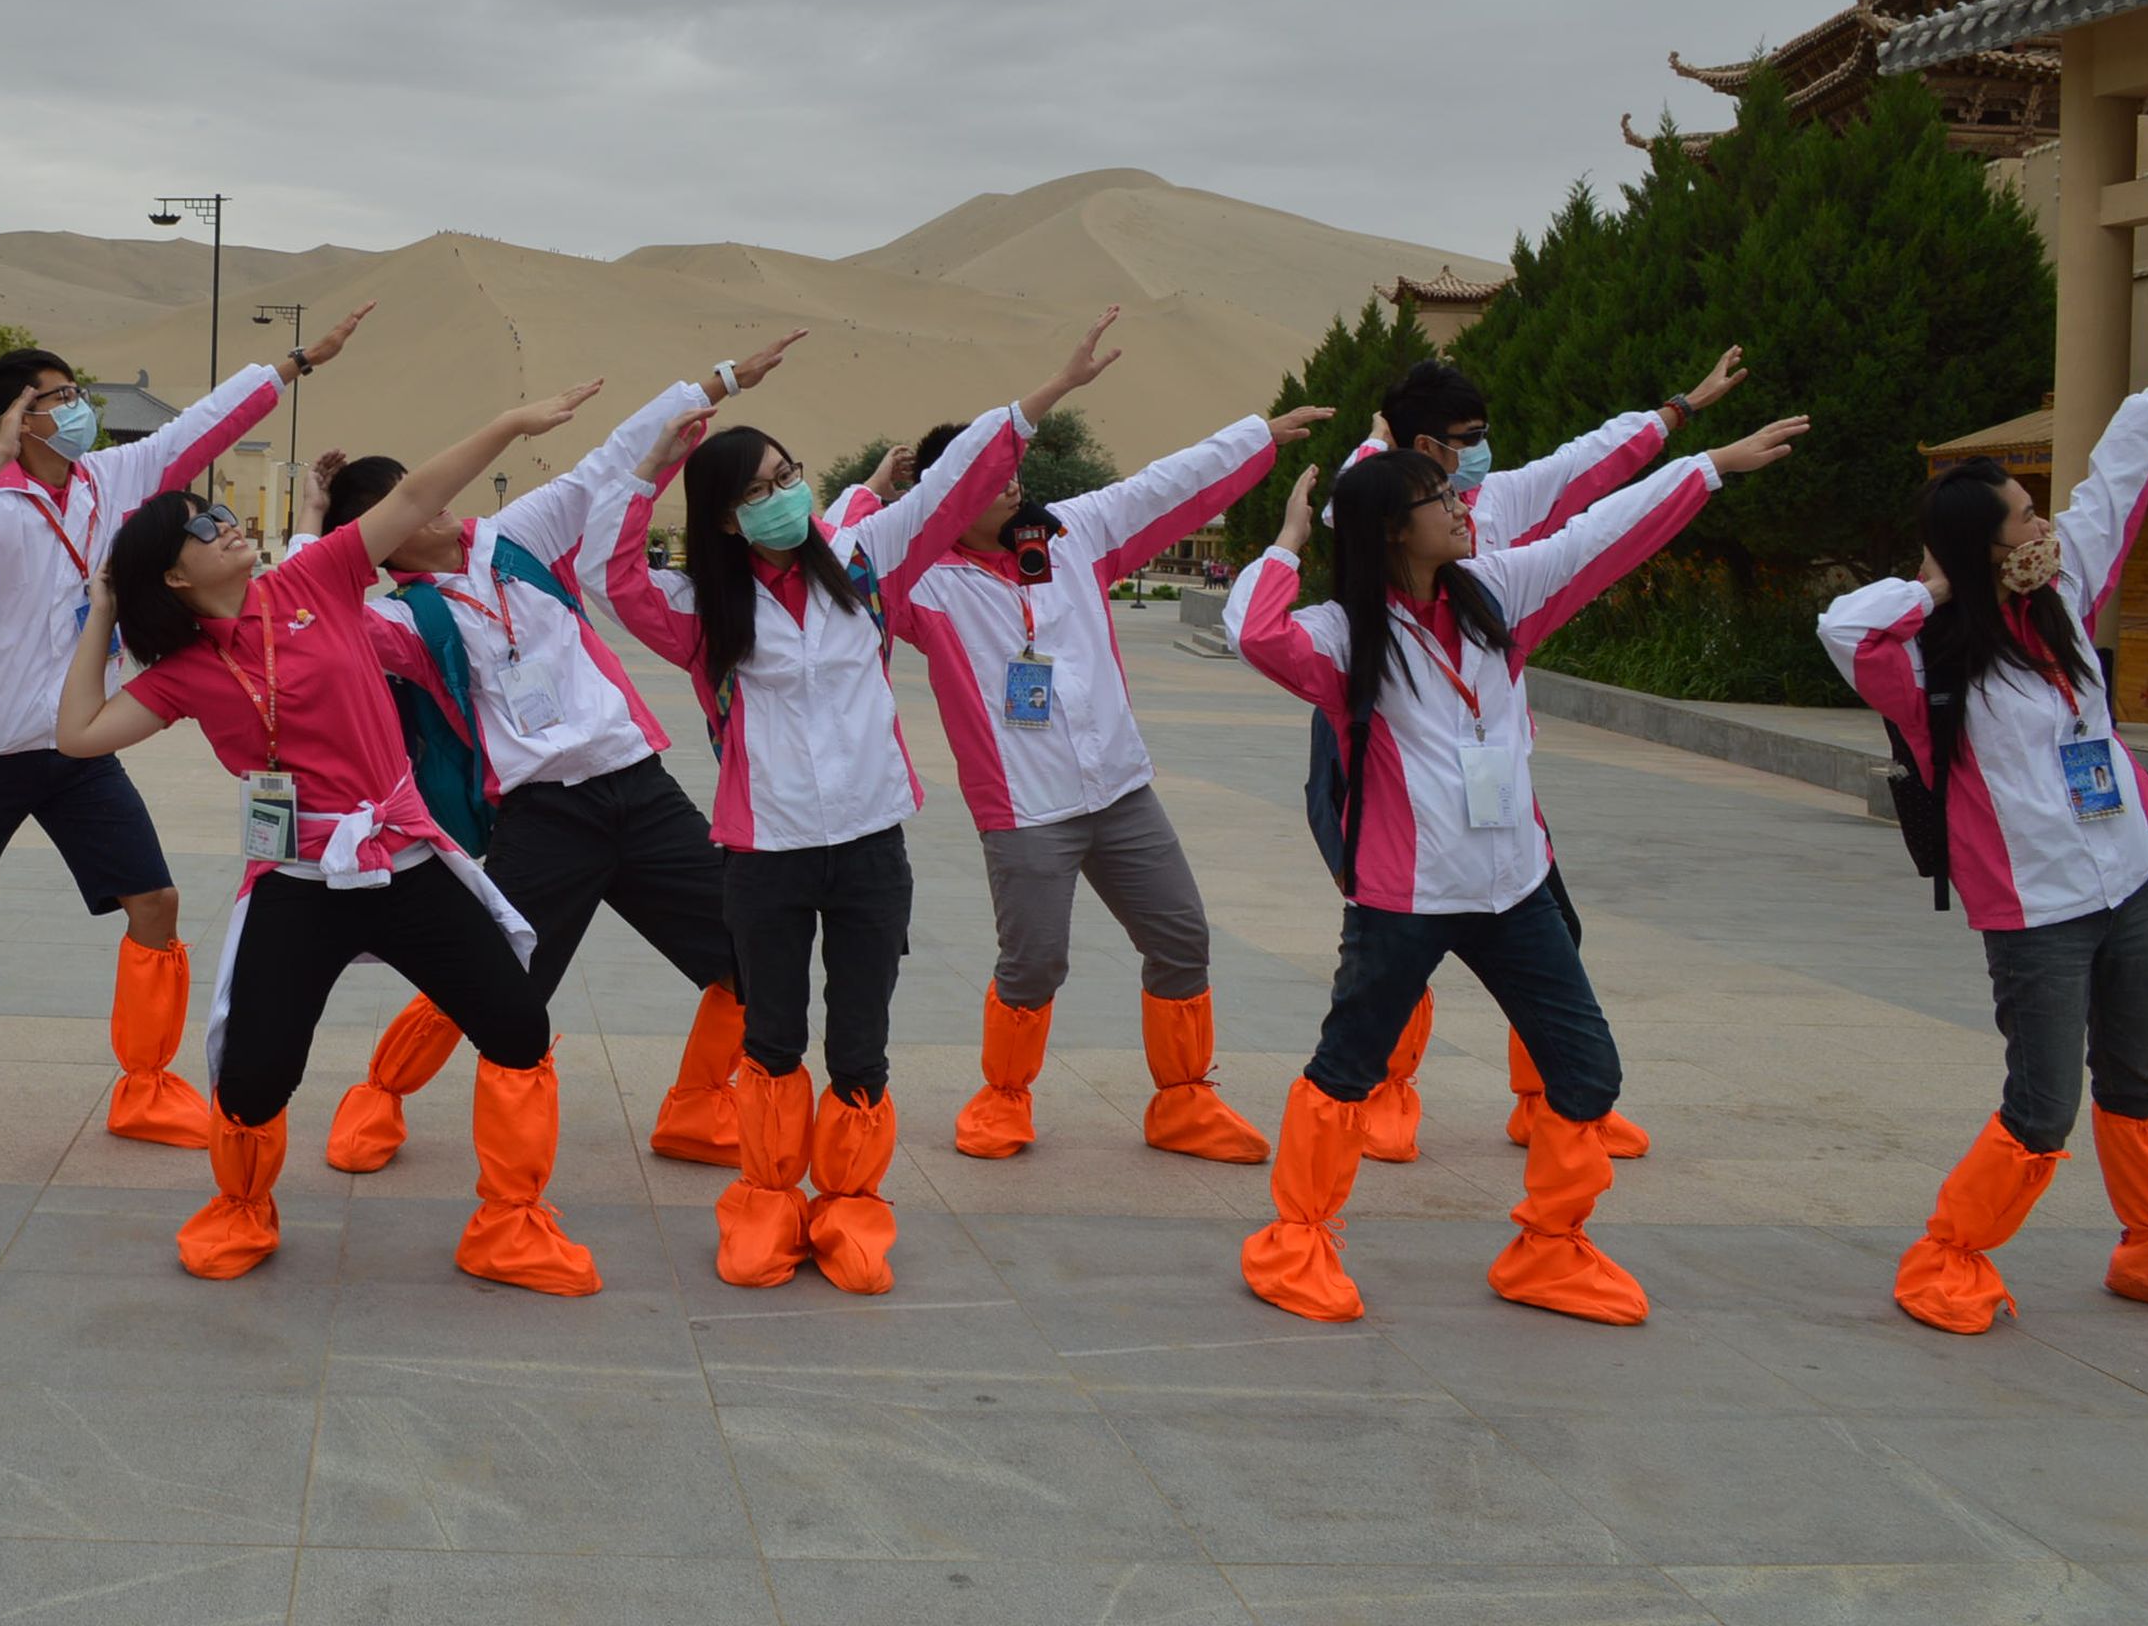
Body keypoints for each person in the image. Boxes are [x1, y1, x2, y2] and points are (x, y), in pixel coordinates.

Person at [1227, 410, 1806, 1325]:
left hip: (1516, 888)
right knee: (1347, 1070)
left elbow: (1599, 536)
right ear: (1393, 531)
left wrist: (1709, 467)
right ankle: (1297, 1241)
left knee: (1588, 1073)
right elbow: (1256, 635)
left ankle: (1549, 1249)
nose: (1464, 505)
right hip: (1405, 898)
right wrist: (1289, 541)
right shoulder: (1344, 635)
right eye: (1439, 499)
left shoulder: (1497, 592)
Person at [588, 316, 1120, 1295]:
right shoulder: (704, 614)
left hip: (871, 850)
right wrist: (651, 466)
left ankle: (849, 1207)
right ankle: (765, 1202)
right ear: (724, 521)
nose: (783, 496)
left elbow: (956, 483)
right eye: (757, 492)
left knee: (860, 1043)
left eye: (787, 476)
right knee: (772, 1038)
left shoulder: (867, 563)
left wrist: (1046, 394)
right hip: (764, 857)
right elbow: (607, 577)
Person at [57, 384, 608, 1291]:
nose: (227, 525)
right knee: (254, 1076)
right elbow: (79, 735)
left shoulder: (314, 579)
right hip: (300, 879)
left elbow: (414, 497)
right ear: (174, 578)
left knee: (517, 1026)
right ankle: (241, 1210)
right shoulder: (186, 672)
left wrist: (510, 423)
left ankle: (510, 1225)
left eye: (222, 513)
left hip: (404, 860)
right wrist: (105, 613)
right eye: (203, 527)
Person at [0, 307, 375, 1139]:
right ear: (21, 416)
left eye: (75, 391)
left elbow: (202, 426)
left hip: (80, 745)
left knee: (155, 900)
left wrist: (299, 360)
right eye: (58, 397)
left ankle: (147, 1086)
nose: (78, 406)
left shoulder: (112, 478)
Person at [301, 332, 817, 1176]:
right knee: (488, 976)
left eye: (424, 485)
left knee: (746, 953)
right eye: (402, 504)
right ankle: (380, 1094)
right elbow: (307, 614)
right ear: (378, 545)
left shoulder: (516, 537)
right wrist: (312, 525)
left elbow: (606, 467)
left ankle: (697, 1107)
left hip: (640, 791)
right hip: (544, 816)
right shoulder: (399, 621)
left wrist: (718, 381)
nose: (432, 501)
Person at [878, 393, 1332, 1164]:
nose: (1012, 482)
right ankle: (1005, 1097)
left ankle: (1184, 1100)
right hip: (1025, 807)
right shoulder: (920, 582)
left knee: (1181, 936)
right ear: (948, 495)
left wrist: (1254, 435)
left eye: (1011, 468)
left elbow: (1162, 486)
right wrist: (874, 496)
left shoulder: (1071, 533)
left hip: (1121, 790)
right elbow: (838, 560)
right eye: (989, 476)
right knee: (1035, 961)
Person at [1328, 344, 1751, 1163]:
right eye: (1468, 437)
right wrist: (1374, 445)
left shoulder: (1495, 502)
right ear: (1425, 447)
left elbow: (1586, 467)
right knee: (1397, 938)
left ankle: (1551, 1098)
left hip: (1489, 755)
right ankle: (1383, 1092)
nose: (1481, 452)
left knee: (1550, 926)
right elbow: (1344, 512)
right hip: (1388, 736)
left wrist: (1682, 411)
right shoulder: (1376, 504)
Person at [1819, 389, 2148, 1333]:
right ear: (1982, 547)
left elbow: (2124, 465)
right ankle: (1949, 1256)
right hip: (2036, 909)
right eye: (2021, 518)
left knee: (2141, 1080)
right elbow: (1843, 627)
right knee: (2043, 1105)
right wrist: (1942, 585)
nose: (2043, 526)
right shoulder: (1927, 656)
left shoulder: (2063, 593)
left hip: (2133, 879)